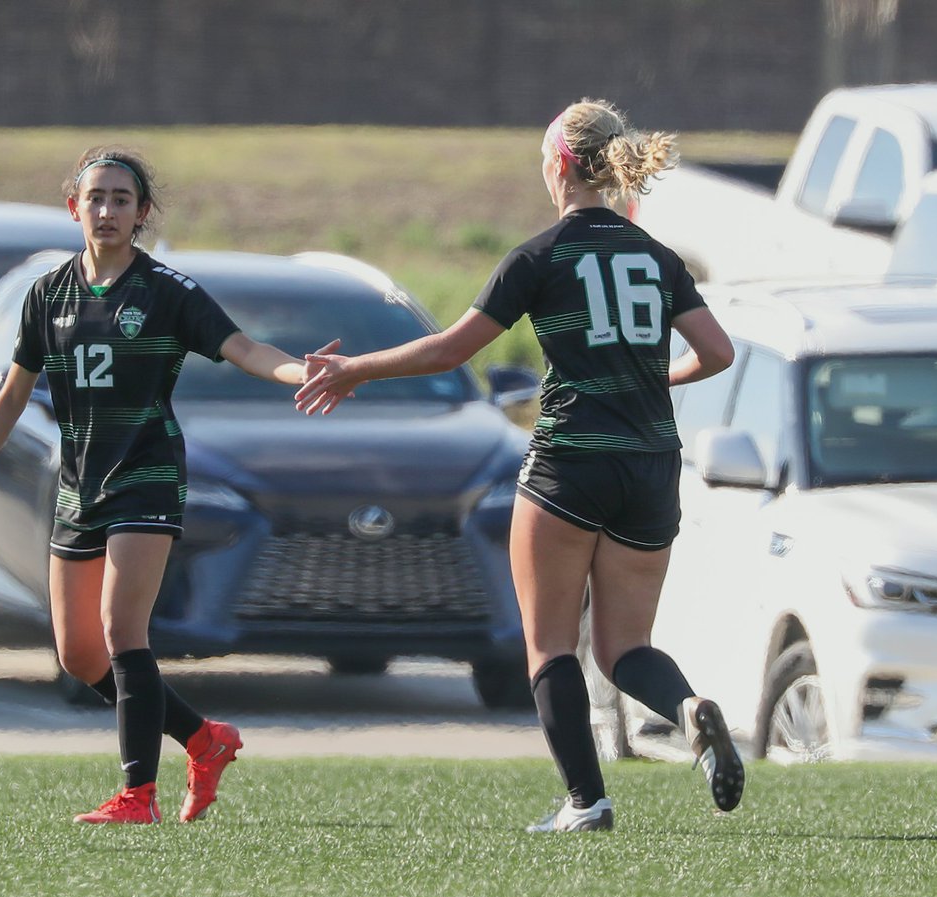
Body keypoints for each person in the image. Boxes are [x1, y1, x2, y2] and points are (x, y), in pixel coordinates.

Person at [296, 99, 742, 833]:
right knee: (628, 647)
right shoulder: (656, 257)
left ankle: (586, 802)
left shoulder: (540, 256)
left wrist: (354, 370)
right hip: (651, 463)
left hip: (571, 460)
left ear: (559, 165)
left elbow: (449, 350)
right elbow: (718, 353)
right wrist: (654, 378)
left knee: (550, 643)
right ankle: (689, 709)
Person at [0, 145, 338, 825]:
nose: (106, 210)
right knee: (78, 653)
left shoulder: (167, 293)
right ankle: (202, 738)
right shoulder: (48, 295)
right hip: (79, 484)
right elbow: (12, 396)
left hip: (146, 475)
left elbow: (245, 348)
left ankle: (137, 795)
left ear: (141, 214)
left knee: (123, 630)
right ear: (74, 208)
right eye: (95, 198)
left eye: (121, 200)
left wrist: (297, 371)